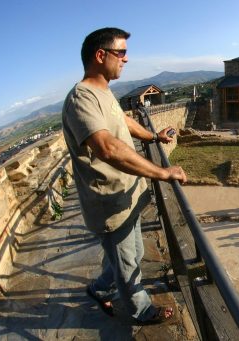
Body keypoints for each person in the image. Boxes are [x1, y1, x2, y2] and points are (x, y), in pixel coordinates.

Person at [62, 28, 186, 324]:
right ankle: (140, 311)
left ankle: (99, 287)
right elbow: (107, 148)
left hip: (126, 197)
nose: (126, 59)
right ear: (100, 55)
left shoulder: (103, 92)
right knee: (127, 262)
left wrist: (153, 136)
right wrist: (162, 172)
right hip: (108, 203)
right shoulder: (81, 98)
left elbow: (124, 122)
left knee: (134, 253)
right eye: (121, 53)